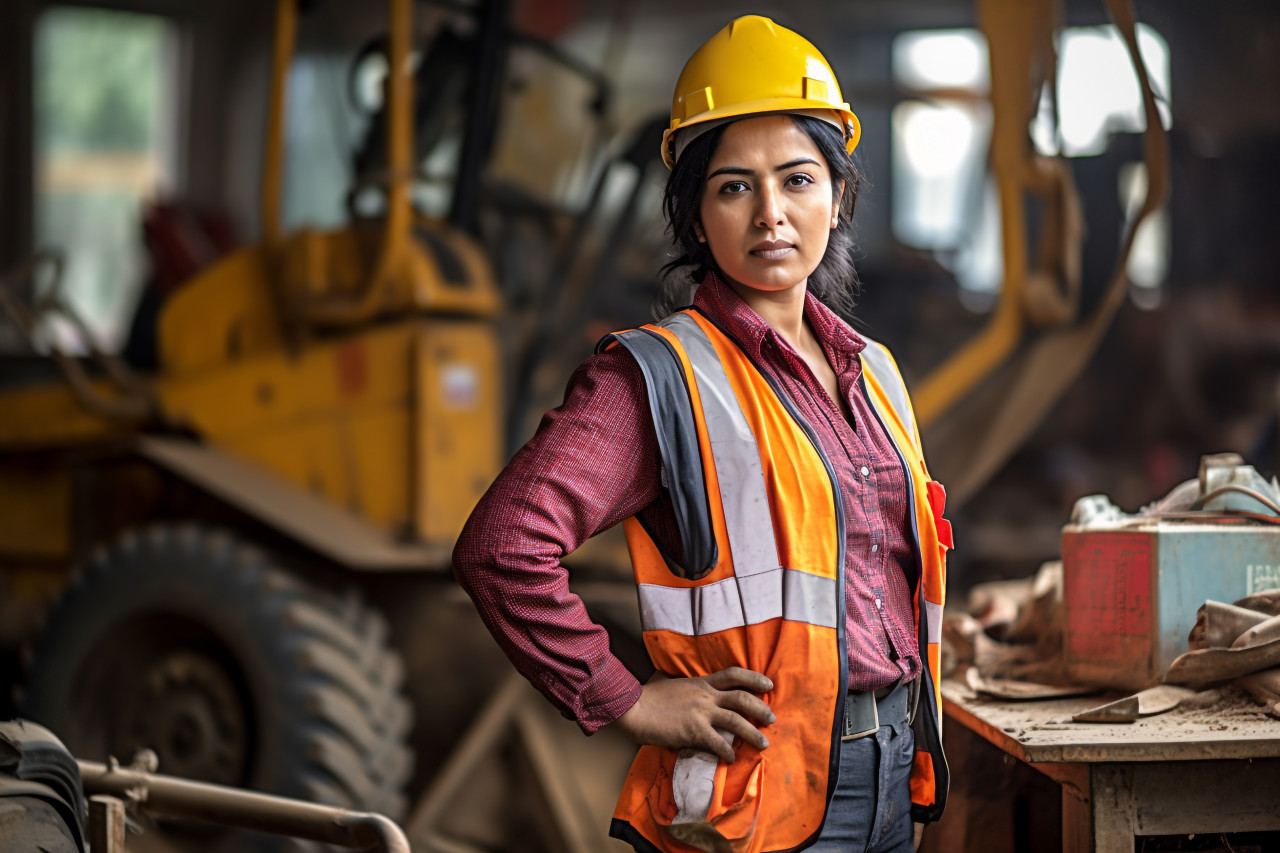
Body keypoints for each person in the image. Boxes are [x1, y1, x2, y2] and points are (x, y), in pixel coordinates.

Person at [453, 15, 950, 853]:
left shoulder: (877, 372)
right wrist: (631, 699)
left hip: (897, 770)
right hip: (759, 790)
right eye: (733, 187)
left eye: (798, 180)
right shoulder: (656, 378)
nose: (771, 215)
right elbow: (502, 546)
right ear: (694, 217)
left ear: (840, 195)